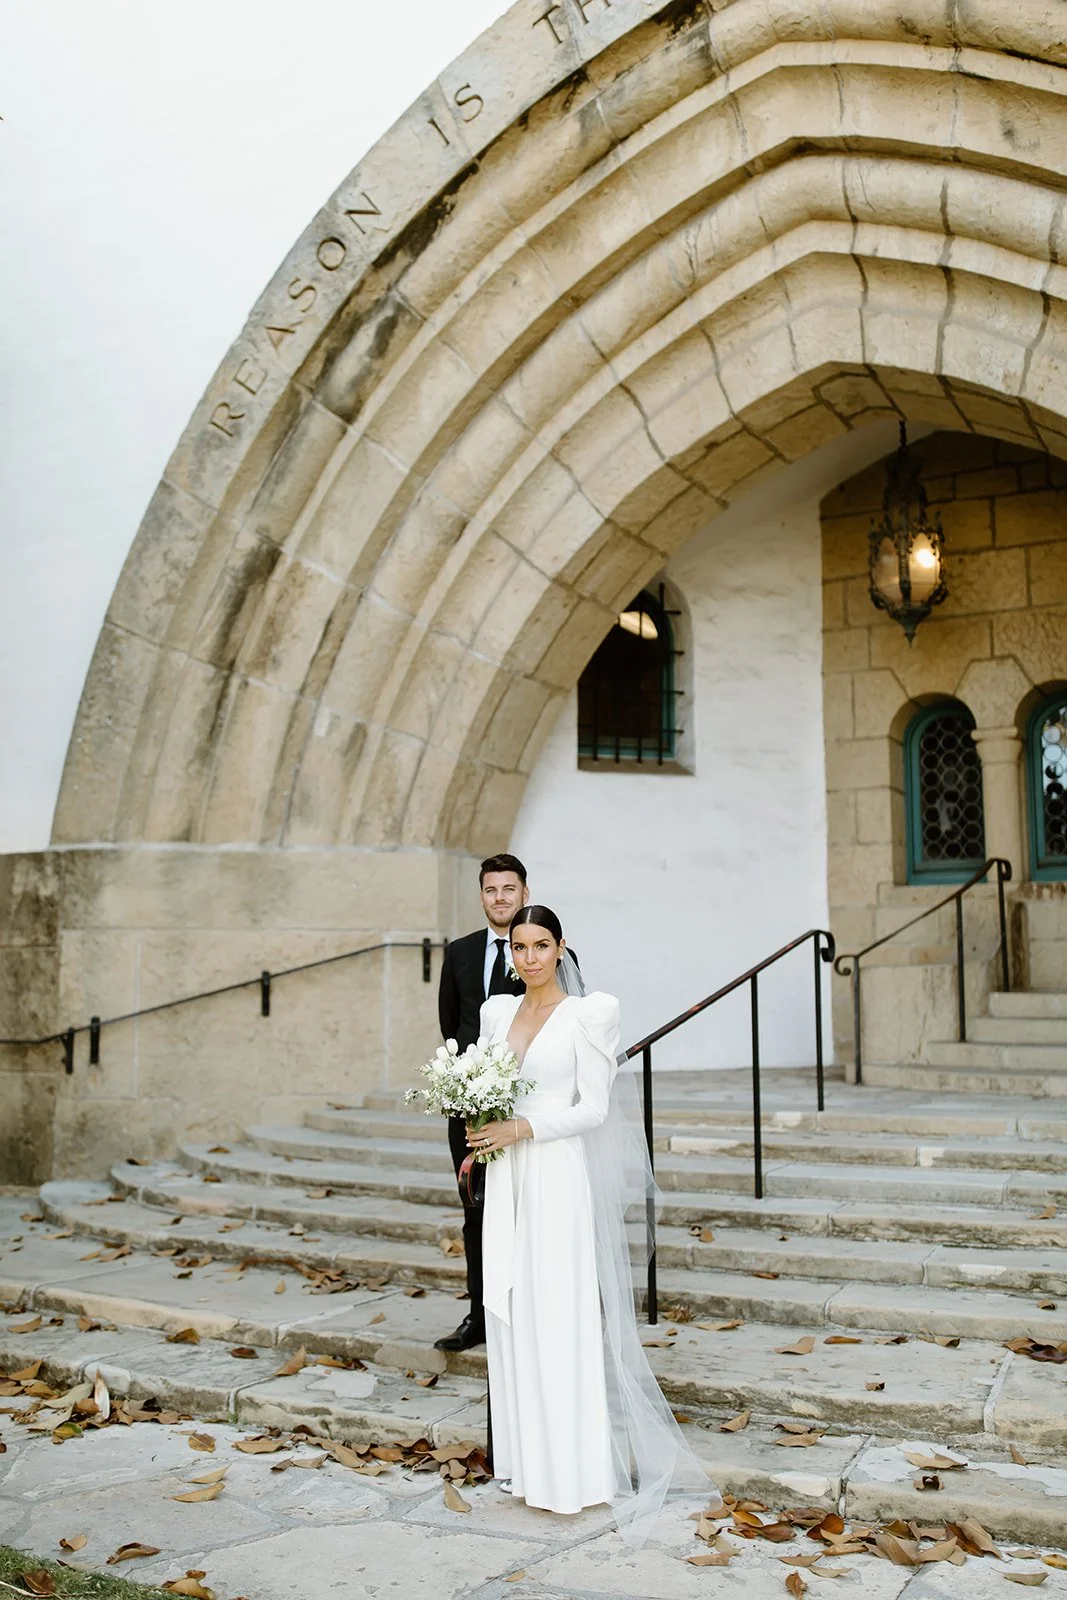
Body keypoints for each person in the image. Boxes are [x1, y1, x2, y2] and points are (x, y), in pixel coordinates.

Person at [468, 905, 718, 1541]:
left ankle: (573, 1475)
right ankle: (528, 1469)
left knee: (557, 1313)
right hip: (507, 1173)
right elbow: (486, 1092)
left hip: (556, 1173)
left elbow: (594, 1109)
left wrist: (521, 1127)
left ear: (560, 948)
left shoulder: (589, 1013)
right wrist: (480, 1142)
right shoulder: (496, 1013)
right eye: (520, 946)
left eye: (541, 945)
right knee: (515, 1312)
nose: (529, 958)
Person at [434, 853, 530, 1353]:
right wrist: (471, 1087)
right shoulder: (461, 952)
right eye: (491, 890)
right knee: (476, 1210)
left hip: (526, 1111)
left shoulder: (541, 950)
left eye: (508, 889)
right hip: (471, 1109)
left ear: (524, 894)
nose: (500, 898)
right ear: (482, 897)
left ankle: (529, 1311)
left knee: (529, 1211)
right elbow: (451, 1025)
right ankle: (480, 1315)